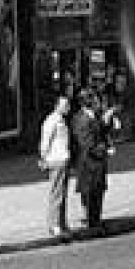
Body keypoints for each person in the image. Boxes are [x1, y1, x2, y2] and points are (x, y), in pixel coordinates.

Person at [72, 91, 111, 230]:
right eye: (94, 100)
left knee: (98, 191)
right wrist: (104, 149)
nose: (97, 103)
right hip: (88, 163)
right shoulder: (81, 119)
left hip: (97, 162)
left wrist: (108, 121)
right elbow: (86, 143)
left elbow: (101, 132)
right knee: (89, 193)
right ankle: (90, 221)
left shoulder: (93, 116)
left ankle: (96, 220)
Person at [39, 90, 73, 239]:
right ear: (56, 106)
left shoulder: (61, 120)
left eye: (67, 104)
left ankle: (62, 222)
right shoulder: (51, 121)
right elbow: (45, 141)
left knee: (62, 193)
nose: (67, 107)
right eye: (64, 105)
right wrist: (44, 158)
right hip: (55, 160)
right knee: (56, 194)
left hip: (63, 159)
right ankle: (54, 224)